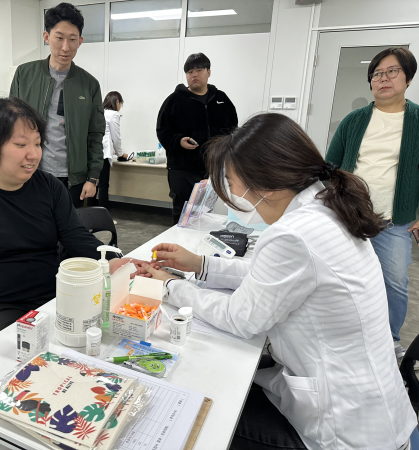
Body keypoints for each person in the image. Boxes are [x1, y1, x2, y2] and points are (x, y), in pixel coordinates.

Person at [143, 113, 416, 449]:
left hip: (343, 430)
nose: (231, 191)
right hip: (372, 408)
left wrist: (171, 286)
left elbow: (240, 318)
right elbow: (269, 277)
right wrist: (201, 264)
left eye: (231, 181)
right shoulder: (325, 205)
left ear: (267, 185)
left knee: (198, 411)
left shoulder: (295, 234)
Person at [0, 97, 144, 349]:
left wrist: (112, 261)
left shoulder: (49, 188)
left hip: (52, 295)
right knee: (11, 359)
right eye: (21, 144)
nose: (33, 154)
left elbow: (75, 236)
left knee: (98, 339)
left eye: (37, 143)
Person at [326, 47, 419, 363]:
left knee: (395, 282)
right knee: (342, 278)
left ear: (408, 78)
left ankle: (389, 340)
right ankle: (346, 336)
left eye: (392, 71)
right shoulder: (354, 120)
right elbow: (330, 165)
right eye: (377, 73)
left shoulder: (417, 120)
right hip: (349, 216)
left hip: (394, 222)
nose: (383, 78)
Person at [9, 2, 104, 209]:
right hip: (30, 173)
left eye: (72, 39)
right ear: (47, 37)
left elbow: (95, 134)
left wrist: (93, 178)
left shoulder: (89, 84)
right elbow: (9, 126)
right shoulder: (24, 75)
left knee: (69, 227)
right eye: (59, 38)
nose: (65, 47)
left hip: (74, 180)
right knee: (31, 227)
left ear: (80, 41)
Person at [156, 52, 238, 224]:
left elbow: (233, 129)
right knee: (182, 213)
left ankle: (199, 241)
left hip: (212, 168)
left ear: (208, 72)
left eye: (199, 70)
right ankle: (179, 240)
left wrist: (224, 150)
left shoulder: (221, 99)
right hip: (182, 169)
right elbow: (162, 130)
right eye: (189, 72)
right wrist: (178, 141)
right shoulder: (174, 101)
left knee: (205, 213)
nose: (194, 75)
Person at [98, 91, 127, 213]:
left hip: (94, 152)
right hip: (104, 154)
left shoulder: (100, 112)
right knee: (103, 185)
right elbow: (116, 138)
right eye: (121, 104)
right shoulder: (113, 114)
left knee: (92, 184)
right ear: (117, 102)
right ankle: (104, 216)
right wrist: (120, 154)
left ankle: (89, 215)